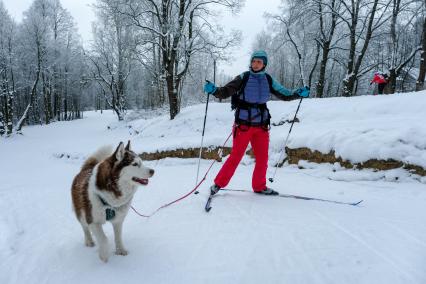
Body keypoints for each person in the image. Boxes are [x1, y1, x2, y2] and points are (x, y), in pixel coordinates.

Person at [203, 50, 310, 196]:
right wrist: (214, 90)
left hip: (261, 126)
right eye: (254, 61)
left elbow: (285, 94)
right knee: (236, 156)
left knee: (262, 158)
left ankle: (259, 186)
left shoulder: (268, 79)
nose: (255, 64)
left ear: (264, 64)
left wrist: (298, 93)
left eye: (259, 62)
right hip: (243, 125)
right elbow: (226, 91)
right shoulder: (244, 77)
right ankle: (218, 184)